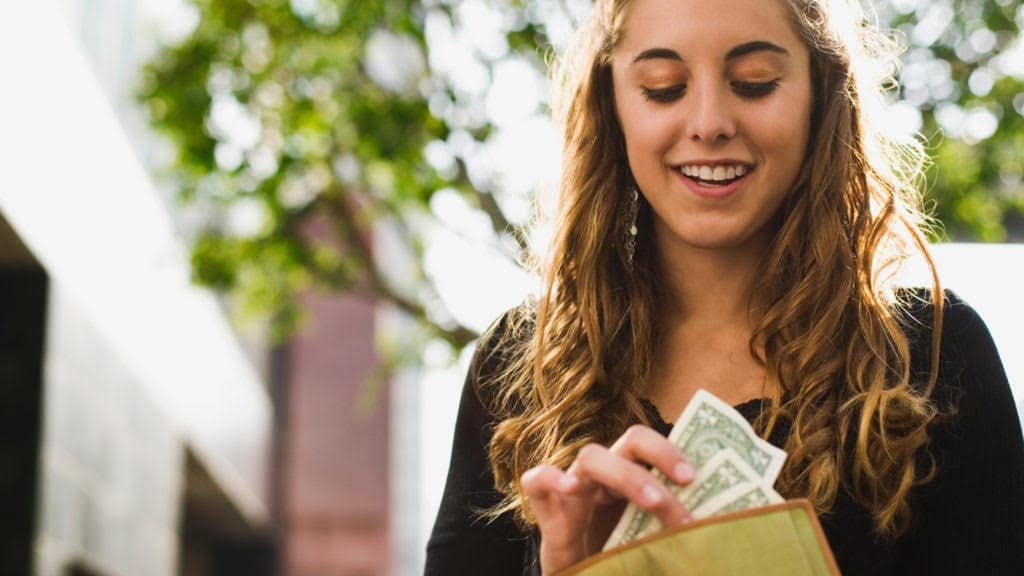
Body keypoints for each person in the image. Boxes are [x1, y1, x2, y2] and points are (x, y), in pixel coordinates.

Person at [426, 0, 1024, 573]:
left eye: (755, 82)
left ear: (821, 94)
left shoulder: (934, 356)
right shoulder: (521, 365)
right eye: (663, 87)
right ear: (612, 104)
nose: (709, 124)